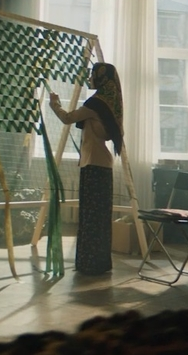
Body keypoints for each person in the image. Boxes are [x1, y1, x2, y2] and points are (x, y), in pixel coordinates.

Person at [49, 62, 124, 275]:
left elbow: (67, 118)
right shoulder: (111, 104)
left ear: (101, 78)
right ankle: (99, 263)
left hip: (93, 164)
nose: (90, 78)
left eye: (93, 75)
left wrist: (54, 104)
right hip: (103, 165)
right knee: (99, 218)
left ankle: (88, 263)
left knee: (90, 218)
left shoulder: (96, 103)